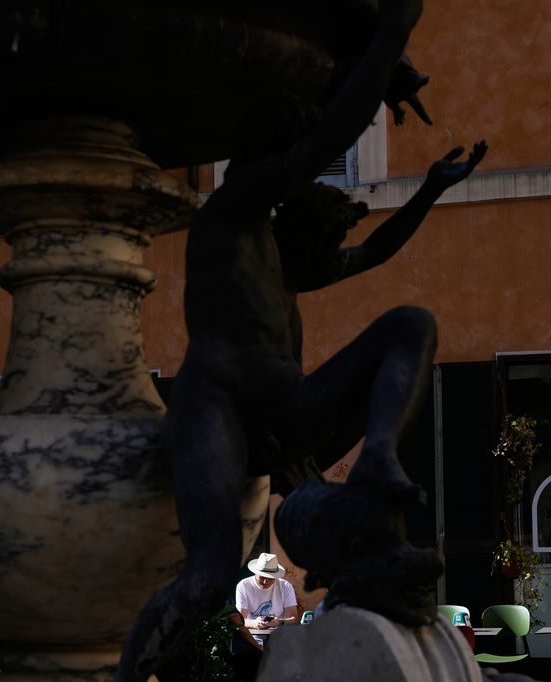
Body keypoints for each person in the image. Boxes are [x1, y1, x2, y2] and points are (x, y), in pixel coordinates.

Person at [114, 1, 487, 679]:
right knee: (205, 580)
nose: (307, 166)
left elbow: (369, 254)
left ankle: (377, 457)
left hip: (287, 413)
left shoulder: (276, 252)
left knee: (412, 324)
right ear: (266, 149)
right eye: (295, 149)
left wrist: (428, 191)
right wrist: (392, 33)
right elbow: (329, 137)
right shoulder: (232, 208)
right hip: (217, 407)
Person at [235, 554, 298, 646]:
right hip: (252, 636)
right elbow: (240, 620)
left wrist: (280, 622)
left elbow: (294, 619)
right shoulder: (243, 586)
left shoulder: (285, 586)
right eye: (262, 577)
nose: (266, 581)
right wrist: (254, 623)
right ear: (255, 573)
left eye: (270, 578)